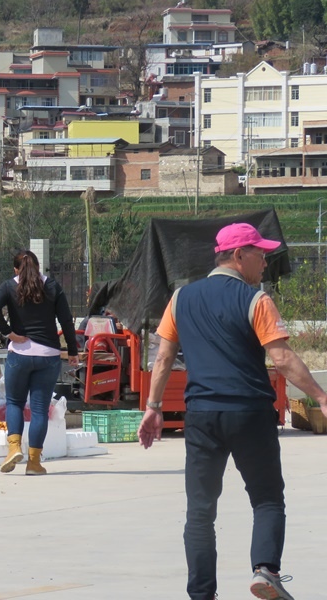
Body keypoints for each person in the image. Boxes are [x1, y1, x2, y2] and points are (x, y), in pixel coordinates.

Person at [137, 223, 327, 600]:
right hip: (250, 413)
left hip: (203, 416)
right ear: (239, 256)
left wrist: (153, 407)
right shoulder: (256, 300)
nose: (266, 260)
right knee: (268, 498)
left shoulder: (181, 299)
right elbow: (283, 359)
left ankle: (202, 594)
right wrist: (321, 396)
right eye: (261, 253)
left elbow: (162, 358)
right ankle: (265, 571)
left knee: (200, 512)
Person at [0, 250, 79, 475]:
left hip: (19, 354)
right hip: (48, 355)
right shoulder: (53, 286)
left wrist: (9, 333)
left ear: (16, 270)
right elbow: (66, 320)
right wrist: (73, 350)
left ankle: (13, 448)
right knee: (39, 409)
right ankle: (34, 463)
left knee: (15, 403)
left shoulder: (10, 286)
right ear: (39, 268)